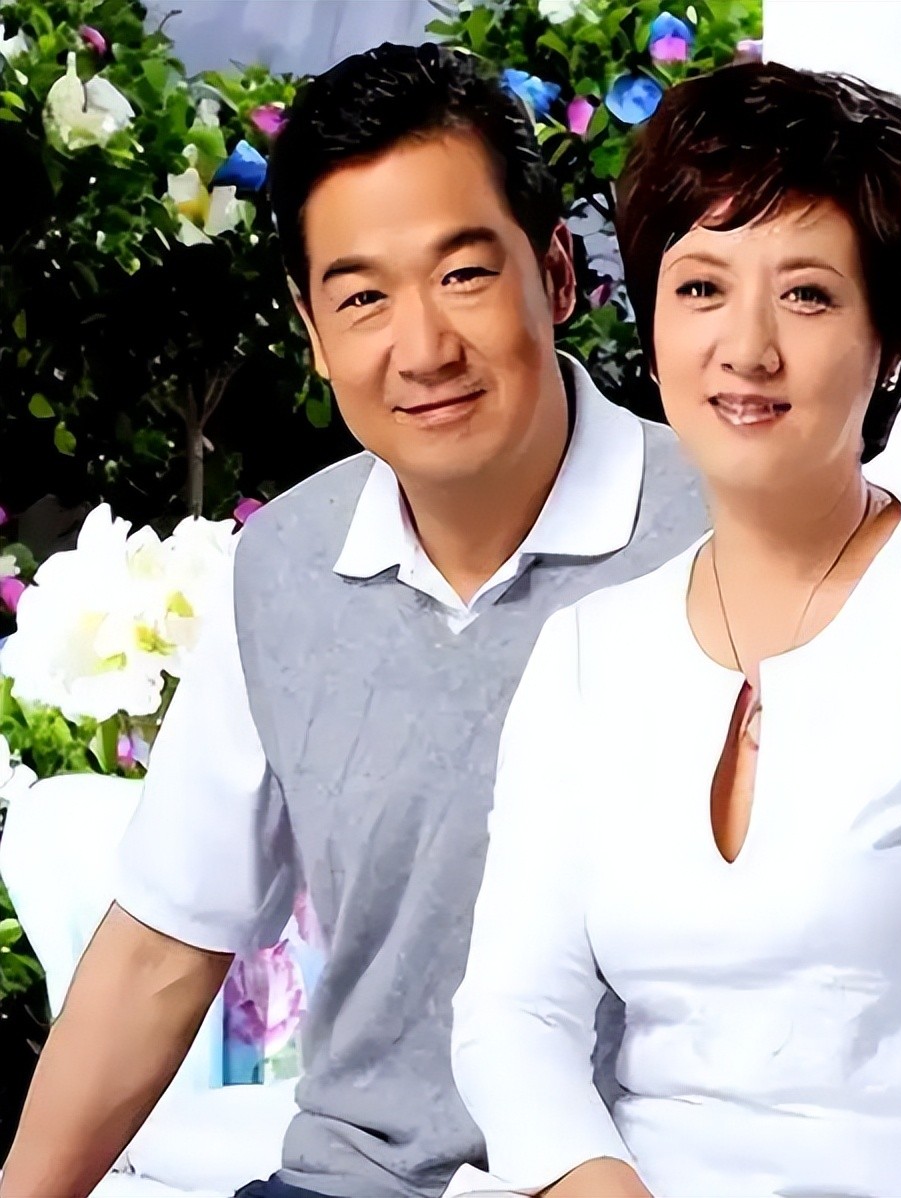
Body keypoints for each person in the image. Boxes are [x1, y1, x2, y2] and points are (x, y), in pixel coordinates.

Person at [0, 43, 708, 1198]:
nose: (421, 349)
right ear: (314, 330)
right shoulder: (283, 566)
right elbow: (163, 947)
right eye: (363, 297)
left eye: (464, 275)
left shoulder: (729, 539)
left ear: (555, 276)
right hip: (354, 1180)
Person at [447, 63, 901, 1198]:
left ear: (889, 340)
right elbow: (513, 1017)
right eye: (700, 287)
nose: (747, 347)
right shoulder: (588, 653)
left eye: (808, 295)